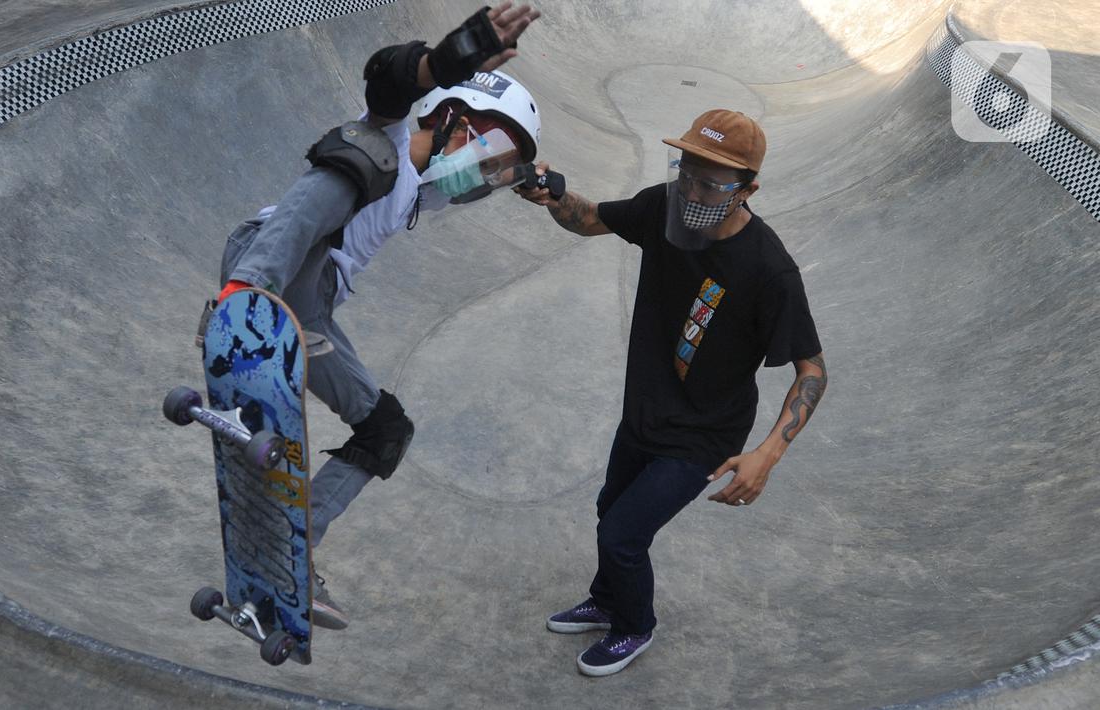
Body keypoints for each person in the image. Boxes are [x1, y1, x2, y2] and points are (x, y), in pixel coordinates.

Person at [210, 3, 542, 630]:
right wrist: (447, 60)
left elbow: (476, 178)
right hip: (276, 258)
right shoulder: (389, 140)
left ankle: (291, 551)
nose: (488, 172)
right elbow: (388, 82)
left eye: (498, 166)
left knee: (386, 430)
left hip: (311, 308)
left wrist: (526, 173)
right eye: (491, 150)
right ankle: (242, 298)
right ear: (450, 116)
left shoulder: (422, 192)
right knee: (359, 160)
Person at [516, 109, 827, 676]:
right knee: (610, 510)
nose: (692, 193)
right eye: (685, 173)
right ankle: (608, 600)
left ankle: (635, 627)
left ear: (748, 190)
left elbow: (812, 370)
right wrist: (552, 196)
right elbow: (589, 219)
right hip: (644, 411)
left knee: (622, 535)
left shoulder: (769, 270)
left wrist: (768, 453)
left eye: (711, 185)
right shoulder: (664, 206)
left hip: (703, 435)